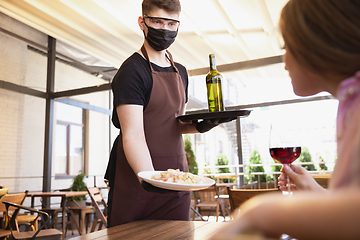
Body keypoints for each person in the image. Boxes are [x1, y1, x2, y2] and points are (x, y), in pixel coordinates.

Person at [210, 0, 360, 239]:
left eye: (287, 47)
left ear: (315, 44)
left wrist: (261, 212)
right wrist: (312, 189)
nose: (285, 61)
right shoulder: (350, 102)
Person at [105, 0, 233, 227]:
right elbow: (132, 134)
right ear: (142, 23)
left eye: (170, 23)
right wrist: (150, 178)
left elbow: (173, 124)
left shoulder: (181, 72)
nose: (164, 29)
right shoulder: (132, 71)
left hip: (176, 178)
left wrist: (202, 125)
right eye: (156, 21)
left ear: (178, 26)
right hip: (139, 177)